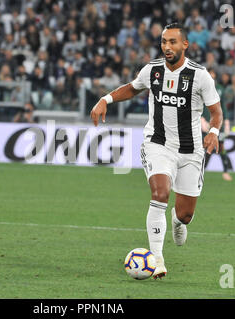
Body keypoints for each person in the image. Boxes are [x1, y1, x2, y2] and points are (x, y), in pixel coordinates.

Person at [90, 23, 222, 279]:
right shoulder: (153, 70)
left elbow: (216, 112)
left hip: (191, 150)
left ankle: (177, 221)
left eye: (172, 42)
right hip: (157, 144)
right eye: (163, 42)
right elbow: (133, 87)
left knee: (185, 214)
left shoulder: (200, 75)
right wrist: (105, 99)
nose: (167, 47)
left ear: (185, 44)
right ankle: (157, 260)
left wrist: (214, 133)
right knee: (160, 193)